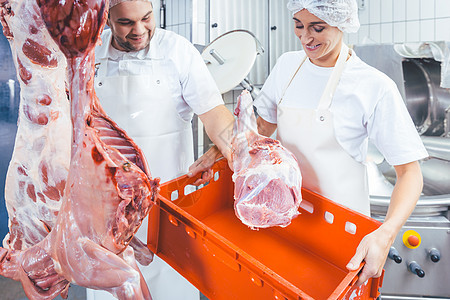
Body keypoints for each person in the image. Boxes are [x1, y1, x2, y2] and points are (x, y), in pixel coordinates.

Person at [254, 0, 428, 287]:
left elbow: (410, 174)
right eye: (298, 25)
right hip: (285, 223)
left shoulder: (373, 85)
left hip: (343, 235)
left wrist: (385, 234)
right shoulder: (287, 65)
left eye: (317, 27)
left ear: (342, 22)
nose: (305, 37)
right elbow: (262, 128)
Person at [89, 0, 234, 299]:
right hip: (107, 214)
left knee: (173, 288)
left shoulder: (177, 51)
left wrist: (234, 146)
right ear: (106, 19)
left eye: (146, 18)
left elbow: (214, 113)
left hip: (169, 207)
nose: (140, 30)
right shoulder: (91, 54)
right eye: (126, 23)